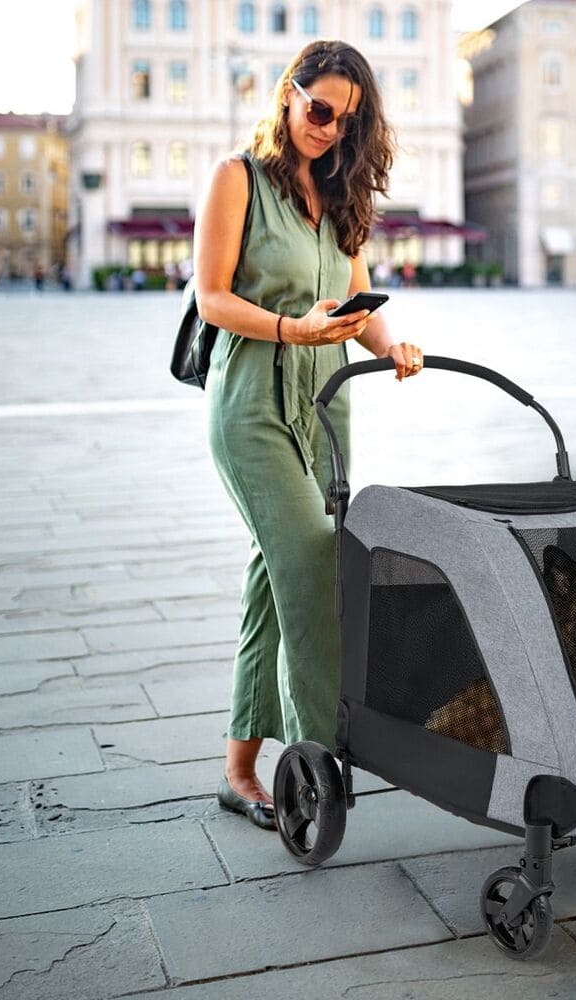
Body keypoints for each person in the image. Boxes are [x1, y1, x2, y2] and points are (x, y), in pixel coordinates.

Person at [194, 40, 424, 830]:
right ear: (288, 94)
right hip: (253, 399)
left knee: (274, 576)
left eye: (344, 121)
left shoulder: (341, 193)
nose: (327, 129)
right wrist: (292, 330)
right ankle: (324, 749)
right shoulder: (238, 179)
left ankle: (238, 771)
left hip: (323, 405)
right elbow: (212, 298)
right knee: (312, 561)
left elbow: (356, 298)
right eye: (318, 109)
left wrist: (391, 345)